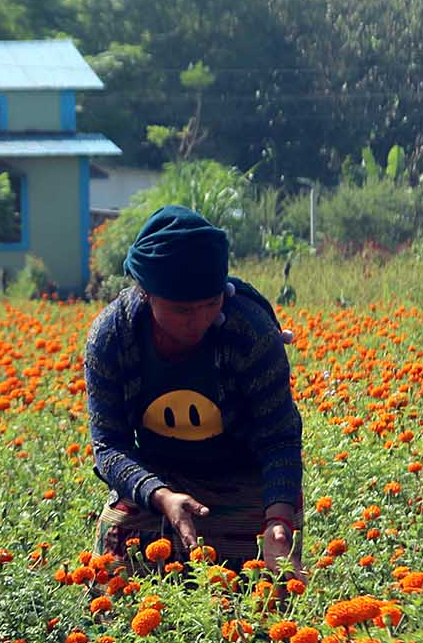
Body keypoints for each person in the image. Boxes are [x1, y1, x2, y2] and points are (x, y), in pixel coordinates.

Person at [85, 205, 304, 569]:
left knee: (268, 587)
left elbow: (279, 437)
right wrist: (161, 496)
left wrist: (278, 520)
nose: (199, 320)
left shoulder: (250, 332)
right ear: (146, 294)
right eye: (182, 310)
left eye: (210, 303)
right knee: (111, 565)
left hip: (245, 475)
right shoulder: (112, 338)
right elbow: (109, 446)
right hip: (158, 476)